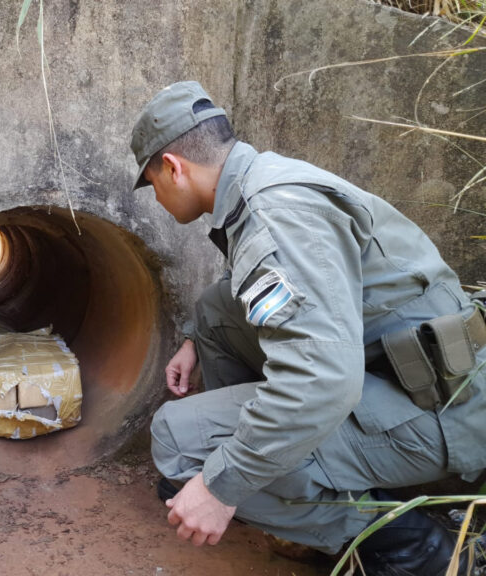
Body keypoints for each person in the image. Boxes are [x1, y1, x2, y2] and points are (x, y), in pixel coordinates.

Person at [129, 81, 486, 575]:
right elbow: (261, 297)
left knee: (176, 438)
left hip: (442, 412)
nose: (158, 198)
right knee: (215, 311)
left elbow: (323, 382)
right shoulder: (265, 182)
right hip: (409, 379)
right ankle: (285, 480)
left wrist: (220, 487)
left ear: (174, 166)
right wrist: (194, 337)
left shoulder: (278, 215)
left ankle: (414, 549)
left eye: (152, 183)